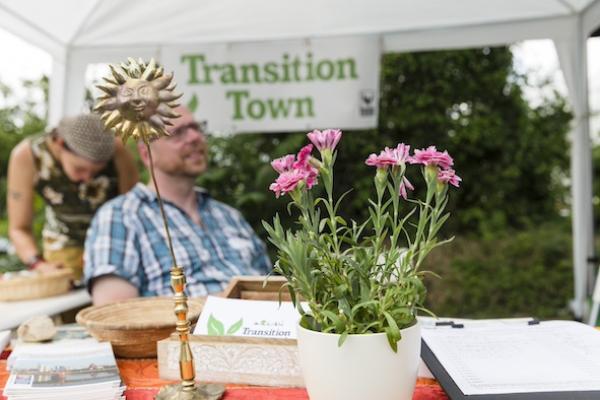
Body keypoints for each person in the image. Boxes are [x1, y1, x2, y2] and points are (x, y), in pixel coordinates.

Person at [83, 107, 271, 305]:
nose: (195, 137)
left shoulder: (229, 215)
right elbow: (114, 312)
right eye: (178, 133)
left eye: (196, 128)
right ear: (146, 154)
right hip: (186, 335)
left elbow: (273, 289)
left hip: (267, 331)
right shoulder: (119, 216)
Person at [7, 114, 139, 280]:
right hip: (63, 247)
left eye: (96, 172)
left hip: (112, 242)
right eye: (80, 169)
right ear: (60, 143)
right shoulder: (27, 156)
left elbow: (134, 210)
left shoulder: (117, 149)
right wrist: (39, 264)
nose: (88, 179)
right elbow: (19, 228)